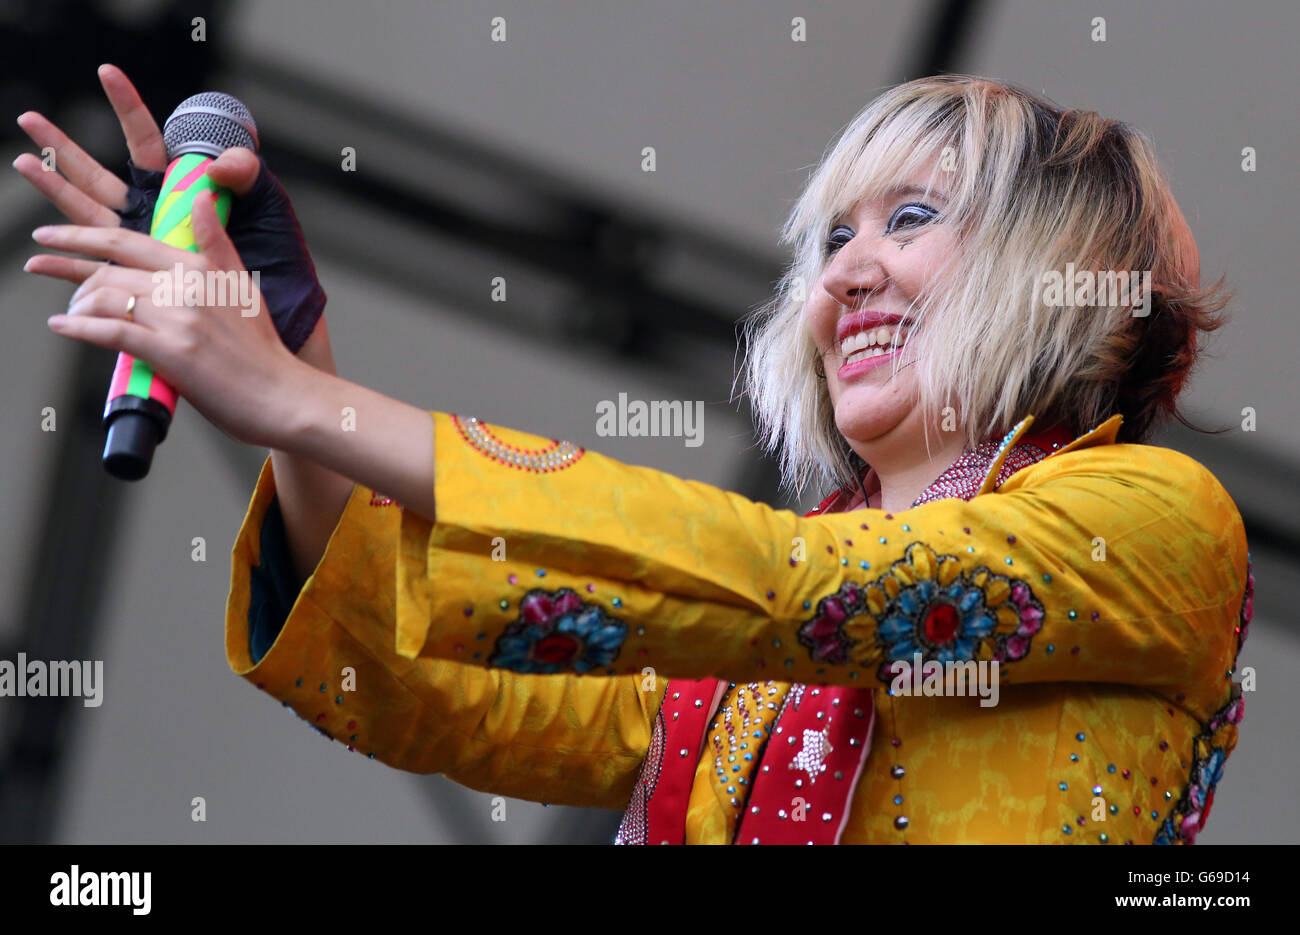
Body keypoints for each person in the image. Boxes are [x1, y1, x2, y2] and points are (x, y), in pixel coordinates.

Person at [18, 69, 1252, 844]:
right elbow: (403, 681)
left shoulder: (1157, 518)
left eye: (911, 218)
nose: (844, 274)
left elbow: (803, 592)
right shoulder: (728, 667)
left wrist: (295, 397)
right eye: (829, 238)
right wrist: (301, 373)